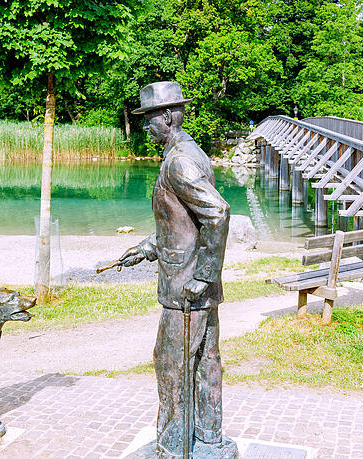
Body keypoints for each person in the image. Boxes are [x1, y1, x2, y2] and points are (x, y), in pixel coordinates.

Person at [118, 81, 237, 458]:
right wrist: (150, 246)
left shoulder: (179, 161)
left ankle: (173, 447)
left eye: (149, 118)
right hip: (196, 285)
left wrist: (202, 276)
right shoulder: (188, 152)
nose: (144, 126)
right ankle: (209, 438)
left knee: (171, 365)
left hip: (186, 291)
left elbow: (217, 214)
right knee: (205, 363)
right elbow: (186, 224)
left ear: (167, 116)